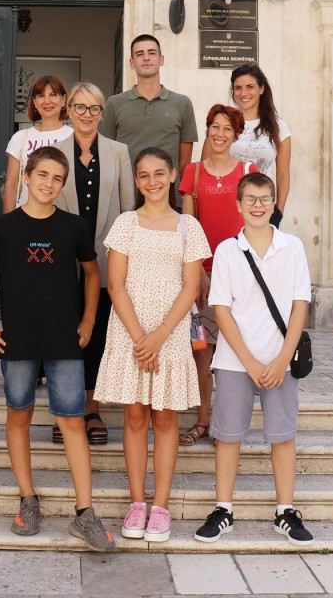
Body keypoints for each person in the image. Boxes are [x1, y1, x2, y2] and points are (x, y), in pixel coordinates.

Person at [0, 146, 116, 552]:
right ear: (27, 177)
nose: (49, 184)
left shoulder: (73, 227)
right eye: (43, 175)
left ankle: (85, 512)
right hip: (17, 341)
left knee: (72, 420)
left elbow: (91, 274)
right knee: (19, 413)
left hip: (64, 341)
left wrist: (88, 319)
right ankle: (27, 499)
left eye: (58, 179)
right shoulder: (3, 227)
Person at [94, 147, 211, 542]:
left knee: (164, 417)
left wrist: (159, 335)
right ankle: (137, 502)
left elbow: (191, 287)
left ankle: (160, 507)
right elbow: (115, 284)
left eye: (159, 173)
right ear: (137, 181)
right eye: (143, 175)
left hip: (171, 332)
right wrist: (140, 337)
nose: (152, 181)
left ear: (173, 174)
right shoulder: (126, 223)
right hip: (130, 330)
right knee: (135, 416)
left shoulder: (188, 226)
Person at [194, 172, 313, 545]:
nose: (258, 205)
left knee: (282, 436)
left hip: (280, 358)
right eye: (250, 199)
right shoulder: (228, 251)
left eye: (265, 198)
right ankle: (224, 509)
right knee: (228, 436)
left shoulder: (291, 247)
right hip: (234, 361)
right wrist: (248, 361)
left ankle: (285, 511)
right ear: (239, 204)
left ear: (274, 203)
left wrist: (281, 359)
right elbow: (222, 310)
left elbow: (299, 306)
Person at [52, 82, 134, 445]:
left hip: (104, 261)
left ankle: (91, 407)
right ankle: (65, 411)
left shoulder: (118, 152)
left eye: (94, 108)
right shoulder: (52, 151)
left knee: (98, 333)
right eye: (80, 107)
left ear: (103, 113)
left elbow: (130, 210)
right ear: (68, 109)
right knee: (64, 336)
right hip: (59, 260)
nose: (87, 115)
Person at [177, 105, 259, 447]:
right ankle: (203, 421)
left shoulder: (248, 171)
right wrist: (198, 274)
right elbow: (187, 228)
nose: (220, 133)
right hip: (202, 279)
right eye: (214, 126)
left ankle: (229, 423)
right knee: (202, 350)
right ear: (207, 130)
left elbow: (256, 226)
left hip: (241, 280)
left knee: (236, 351)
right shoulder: (193, 173)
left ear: (236, 134)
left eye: (227, 128)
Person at [99, 34, 197, 203]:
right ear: (131, 63)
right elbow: (106, 155)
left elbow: (184, 164)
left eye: (151, 53)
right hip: (126, 200)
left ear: (161, 59)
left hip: (170, 201)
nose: (146, 57)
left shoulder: (182, 103)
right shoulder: (115, 104)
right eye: (139, 54)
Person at [203, 62, 290, 227]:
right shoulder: (222, 122)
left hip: (261, 207)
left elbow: (283, 174)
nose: (244, 93)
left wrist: (278, 210)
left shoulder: (279, 126)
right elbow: (206, 166)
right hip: (226, 204)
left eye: (250, 87)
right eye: (238, 88)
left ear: (261, 89)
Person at [3, 74, 73, 212]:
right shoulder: (20, 137)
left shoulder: (74, 136)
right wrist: (8, 222)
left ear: (64, 100)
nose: (47, 101)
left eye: (53, 95)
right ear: (34, 102)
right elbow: (12, 184)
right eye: (41, 96)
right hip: (25, 218)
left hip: (64, 216)